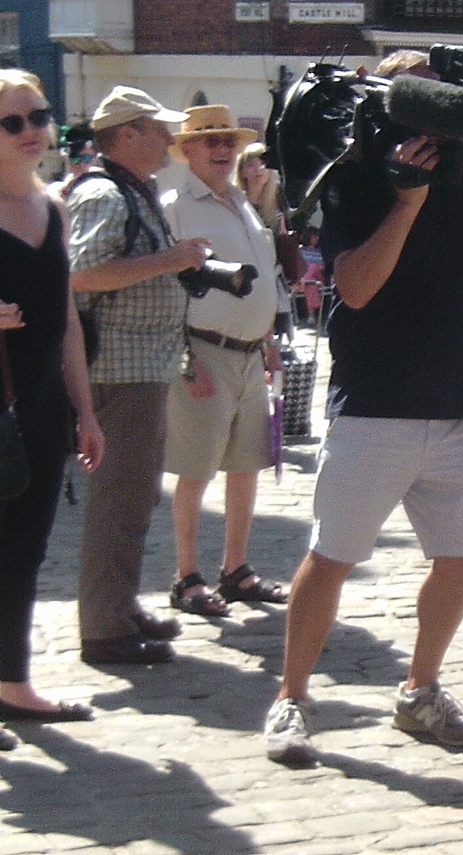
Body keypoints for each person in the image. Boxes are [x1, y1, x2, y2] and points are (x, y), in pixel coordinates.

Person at [262, 50, 463, 764]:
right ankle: (291, 698)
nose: (437, 117)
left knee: (460, 559)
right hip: (374, 404)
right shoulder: (360, 177)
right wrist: (406, 202)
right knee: (332, 556)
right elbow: (355, 288)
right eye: (421, 99)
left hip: (459, 406)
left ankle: (420, 690)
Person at [68, 85, 209, 665]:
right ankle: (105, 628)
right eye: (157, 129)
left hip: (139, 368)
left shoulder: (129, 190)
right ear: (126, 134)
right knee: (120, 501)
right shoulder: (105, 192)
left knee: (134, 497)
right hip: (118, 370)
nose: (168, 139)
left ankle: (119, 606)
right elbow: (83, 274)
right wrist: (170, 261)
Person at [0, 69, 104, 732]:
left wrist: (84, 412)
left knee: (25, 547)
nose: (31, 131)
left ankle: (12, 684)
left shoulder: (55, 208)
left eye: (40, 117)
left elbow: (66, 319)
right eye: (12, 122)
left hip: (39, 401)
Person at [161, 105, 288, 618]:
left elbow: (265, 274)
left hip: (249, 354)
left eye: (228, 141)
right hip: (205, 351)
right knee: (196, 470)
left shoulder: (242, 202)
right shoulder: (174, 207)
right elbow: (166, 289)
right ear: (187, 149)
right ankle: (186, 575)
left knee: (246, 465)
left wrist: (269, 340)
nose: (222, 150)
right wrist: (186, 358)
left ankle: (236, 569)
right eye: (210, 141)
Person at [236, 142, 294, 341]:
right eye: (251, 165)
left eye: (263, 164)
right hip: (246, 277)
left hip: (273, 278)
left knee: (276, 339)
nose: (258, 169)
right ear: (242, 171)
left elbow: (284, 239)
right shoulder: (235, 202)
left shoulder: (278, 200)